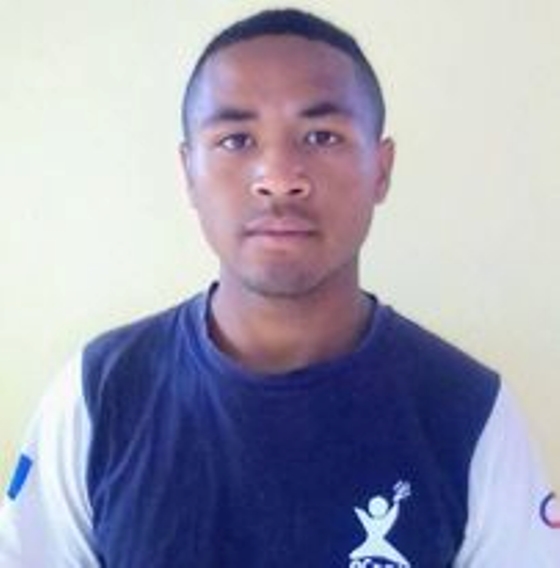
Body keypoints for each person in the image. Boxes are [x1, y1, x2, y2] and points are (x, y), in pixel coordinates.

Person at [0, 8, 558, 567]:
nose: (279, 177)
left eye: (322, 136)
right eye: (236, 139)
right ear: (189, 172)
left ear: (381, 169)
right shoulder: (98, 394)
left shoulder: (470, 411)